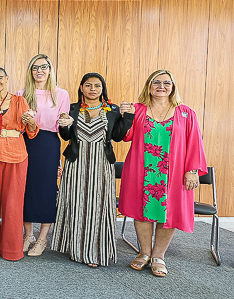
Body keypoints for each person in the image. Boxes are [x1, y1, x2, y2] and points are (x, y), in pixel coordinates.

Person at [119, 69, 207, 277]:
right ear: (148, 86)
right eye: (156, 82)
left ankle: (159, 256)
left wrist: (192, 170)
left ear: (173, 86)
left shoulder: (185, 113)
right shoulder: (138, 109)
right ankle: (144, 252)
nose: (161, 86)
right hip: (142, 169)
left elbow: (194, 143)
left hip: (173, 173)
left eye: (166, 83)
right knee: (141, 211)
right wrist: (125, 116)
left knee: (169, 212)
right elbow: (125, 136)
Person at [51, 73, 134, 267]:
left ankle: (93, 251)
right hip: (76, 163)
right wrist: (63, 126)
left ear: (102, 88)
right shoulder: (72, 109)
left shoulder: (112, 110)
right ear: (81, 88)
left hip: (102, 165)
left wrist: (128, 117)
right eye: (88, 85)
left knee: (97, 207)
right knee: (76, 204)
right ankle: (74, 247)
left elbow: (119, 136)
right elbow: (65, 136)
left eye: (97, 86)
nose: (93, 89)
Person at [0, 67, 38, 260]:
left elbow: (32, 131)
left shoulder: (20, 101)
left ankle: (11, 250)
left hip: (16, 156)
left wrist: (30, 122)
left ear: (7, 78)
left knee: (13, 204)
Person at [17, 54, 70, 257]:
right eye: (35, 67)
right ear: (30, 71)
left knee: (47, 189)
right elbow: (16, 124)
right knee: (25, 188)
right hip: (25, 143)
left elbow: (63, 127)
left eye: (43, 67)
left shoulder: (61, 94)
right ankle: (28, 234)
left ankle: (42, 238)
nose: (39, 71)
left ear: (50, 70)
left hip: (48, 144)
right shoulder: (21, 93)